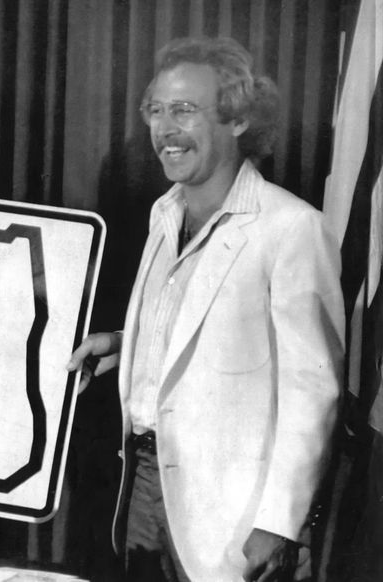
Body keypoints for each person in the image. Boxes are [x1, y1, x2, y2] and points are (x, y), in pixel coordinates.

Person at [66, 37, 344, 581]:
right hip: (143, 487)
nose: (165, 129)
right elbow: (206, 322)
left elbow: (314, 391)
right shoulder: (164, 213)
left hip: (232, 514)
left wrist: (280, 522)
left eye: (185, 111)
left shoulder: (291, 228)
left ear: (237, 120)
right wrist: (127, 343)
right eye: (156, 111)